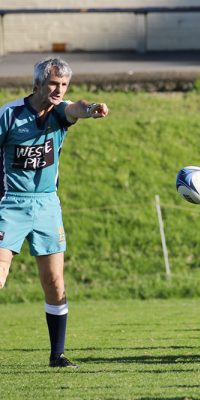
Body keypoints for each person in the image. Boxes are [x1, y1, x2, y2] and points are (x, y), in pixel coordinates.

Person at [0, 57, 109, 367]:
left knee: (55, 283)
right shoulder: (10, 115)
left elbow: (77, 108)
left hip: (48, 205)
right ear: (37, 84)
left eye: (63, 84)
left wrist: (90, 109)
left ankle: (57, 355)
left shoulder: (61, 112)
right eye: (52, 83)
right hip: (11, 203)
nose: (59, 90)